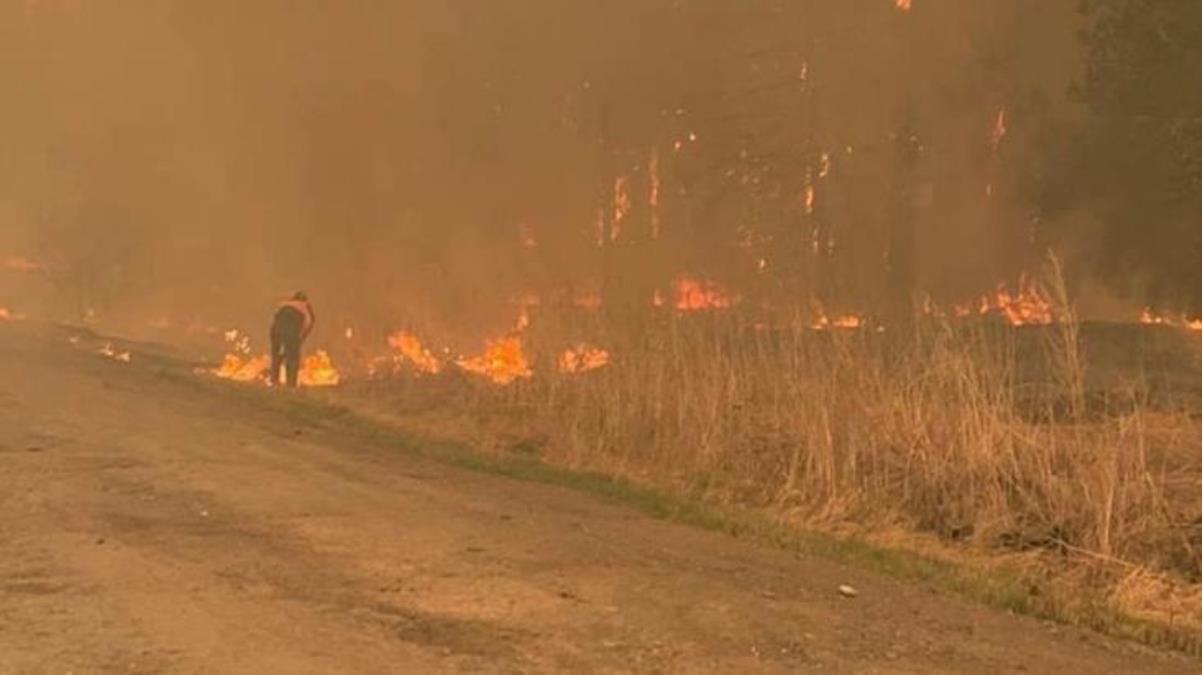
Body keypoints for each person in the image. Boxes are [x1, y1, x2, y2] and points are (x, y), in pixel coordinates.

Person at [269, 291, 315, 388]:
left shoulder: (283, 304)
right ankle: (291, 384)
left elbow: (274, 320)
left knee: (276, 356)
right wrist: (300, 339)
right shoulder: (305, 306)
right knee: (292, 358)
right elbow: (308, 323)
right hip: (292, 330)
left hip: (276, 330)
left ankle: (274, 381)